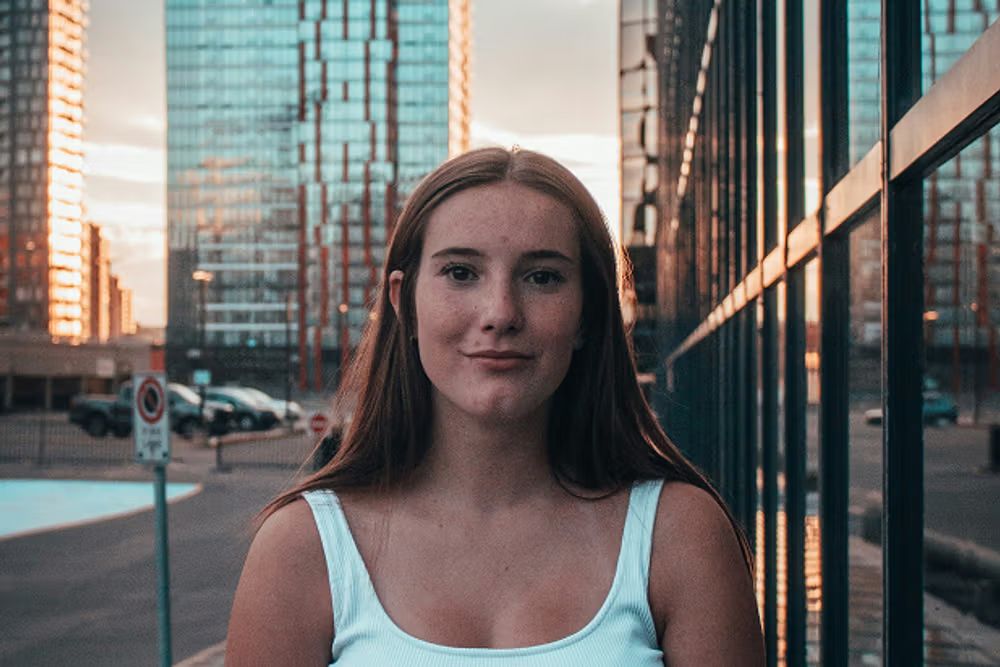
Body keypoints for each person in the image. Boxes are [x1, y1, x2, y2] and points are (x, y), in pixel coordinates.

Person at [225, 147, 764, 666]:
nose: (501, 312)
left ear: (588, 314)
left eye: (542, 277)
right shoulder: (302, 549)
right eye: (461, 272)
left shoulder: (679, 537)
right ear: (403, 303)